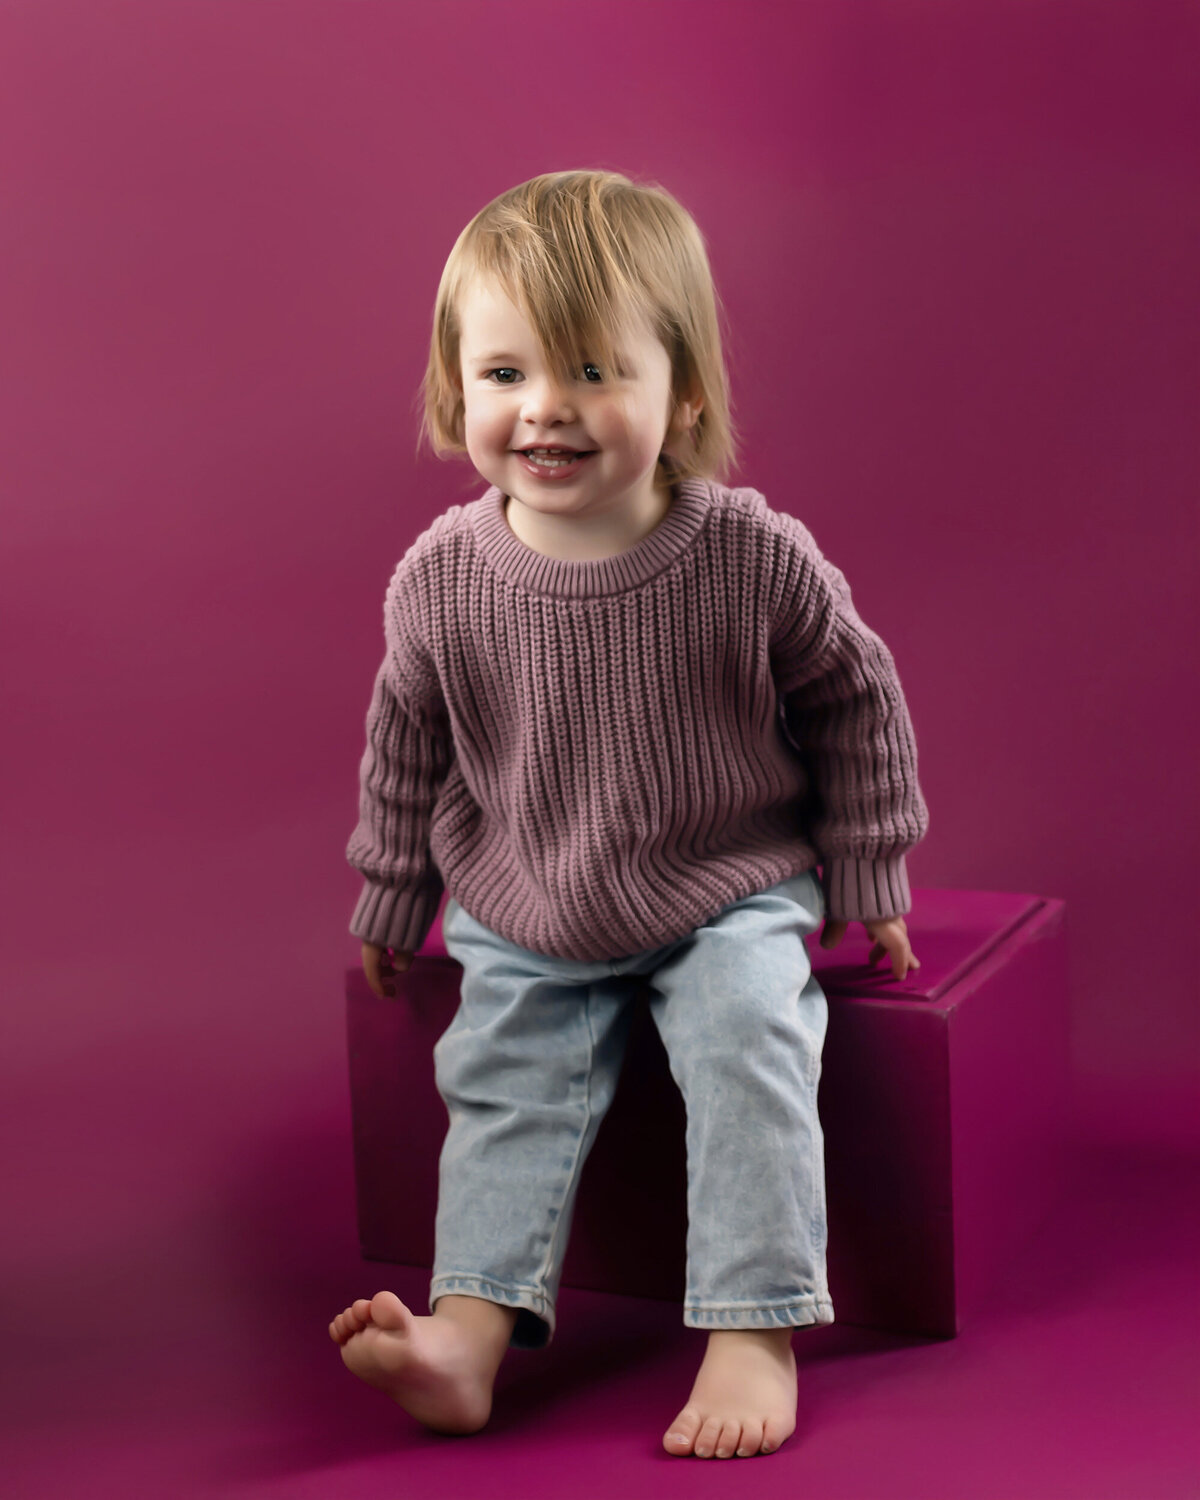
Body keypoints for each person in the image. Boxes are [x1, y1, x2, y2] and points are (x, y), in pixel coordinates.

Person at [329, 169, 929, 1460]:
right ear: (457, 391)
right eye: (504, 376)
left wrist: (869, 874)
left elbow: (854, 697)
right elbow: (407, 747)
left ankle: (754, 1321)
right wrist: (394, 896)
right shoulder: (440, 581)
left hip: (723, 880)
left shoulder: (750, 554)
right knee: (501, 1086)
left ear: (686, 392)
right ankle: (466, 1335)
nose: (545, 409)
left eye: (594, 370)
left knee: (750, 1043)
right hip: (529, 891)